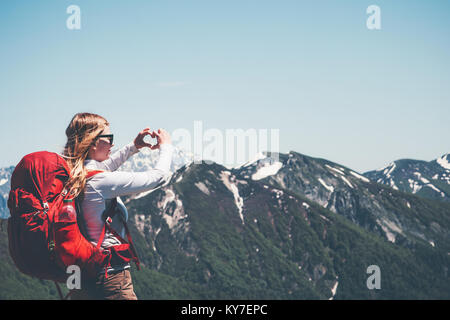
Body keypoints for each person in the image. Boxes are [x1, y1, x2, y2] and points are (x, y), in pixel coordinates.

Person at [62, 112, 174, 300]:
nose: (113, 144)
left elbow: (103, 168)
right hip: (111, 277)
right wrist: (167, 146)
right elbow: (158, 177)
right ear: (93, 142)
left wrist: (133, 147)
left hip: (80, 276)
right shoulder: (99, 182)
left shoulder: (74, 175)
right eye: (109, 138)